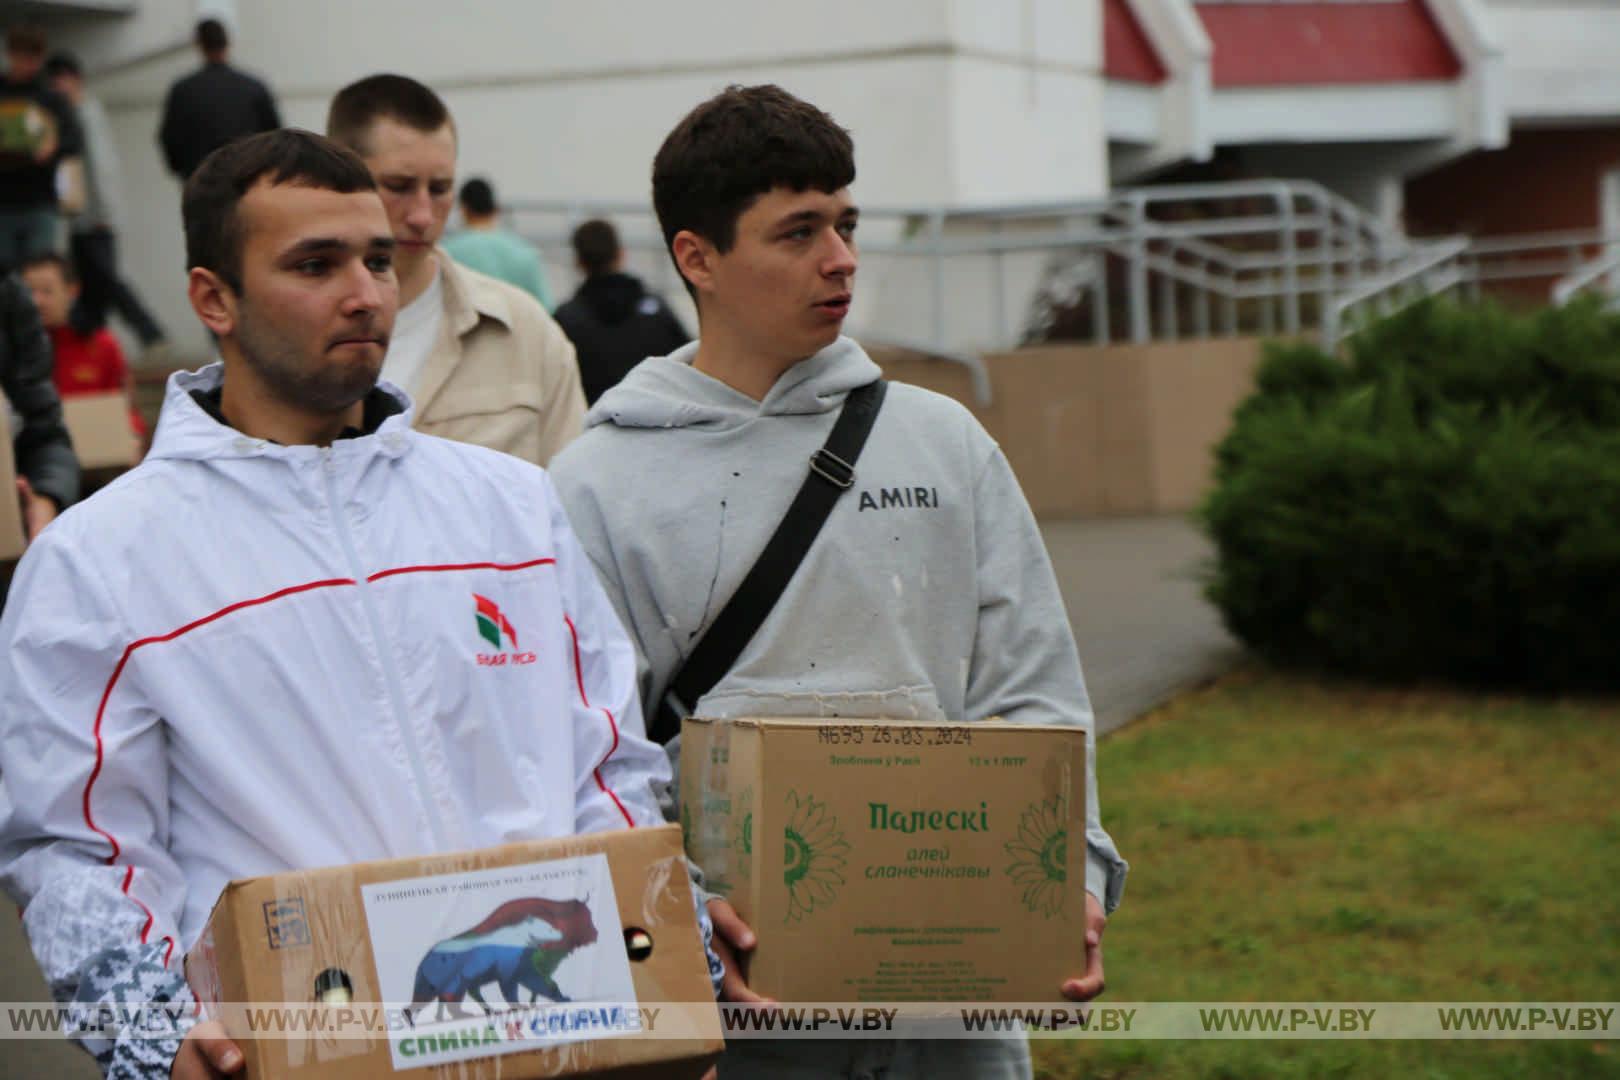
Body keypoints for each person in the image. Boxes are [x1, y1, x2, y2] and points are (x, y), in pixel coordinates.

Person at [0, 129, 696, 1079]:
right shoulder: (99, 561)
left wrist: (663, 974)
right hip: (302, 1055)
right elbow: (78, 849)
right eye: (315, 264)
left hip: (557, 1043)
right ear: (214, 299)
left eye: (376, 259)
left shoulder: (510, 505)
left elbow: (608, 768)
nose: (366, 292)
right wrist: (158, 1038)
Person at [549, 85, 1128, 1079]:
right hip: (740, 1014)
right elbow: (584, 757)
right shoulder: (593, 486)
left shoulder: (943, 440)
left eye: (848, 224)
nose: (842, 258)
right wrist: (675, 904)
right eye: (799, 231)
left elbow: (1032, 686)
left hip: (957, 1010)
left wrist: (1067, 871)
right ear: (698, 259)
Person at [327, 75, 584, 465]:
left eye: (441, 188)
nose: (422, 215)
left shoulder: (527, 332)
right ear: (338, 178)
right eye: (398, 186)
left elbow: (571, 507)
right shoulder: (290, 332)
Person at [44, 52, 169, 355]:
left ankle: (149, 333)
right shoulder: (69, 115)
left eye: (62, 81)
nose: (58, 89)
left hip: (94, 215)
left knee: (104, 278)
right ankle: (93, 343)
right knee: (90, 283)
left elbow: (101, 167)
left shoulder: (85, 113)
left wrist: (104, 212)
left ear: (75, 81)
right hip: (78, 216)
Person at [554, 218, 690, 405]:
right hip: (656, 418)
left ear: (579, 262)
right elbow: (687, 362)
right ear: (621, 254)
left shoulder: (565, 320)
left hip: (592, 424)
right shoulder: (656, 311)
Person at [19, 252, 145, 442]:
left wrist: (133, 435)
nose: (37, 301)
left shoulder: (101, 344)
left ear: (72, 290)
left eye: (46, 291)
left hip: (95, 453)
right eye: (29, 292)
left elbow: (126, 409)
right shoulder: (13, 350)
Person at [1, 269, 77, 544]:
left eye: (48, 291)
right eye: (36, 291)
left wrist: (45, 498)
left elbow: (46, 434)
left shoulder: (9, 297)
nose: (40, 301)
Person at [156, 18, 280, 182]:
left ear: (199, 44)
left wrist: (185, 172)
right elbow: (274, 136)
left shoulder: (183, 90)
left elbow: (169, 137)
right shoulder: (253, 86)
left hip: (202, 180)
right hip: (247, 179)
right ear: (227, 42)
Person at [0, 24, 81, 269]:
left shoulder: (50, 97)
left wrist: (51, 148)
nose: (28, 64)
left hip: (40, 199)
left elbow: (74, 140)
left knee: (39, 269)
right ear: (11, 54)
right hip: (3, 200)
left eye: (33, 57)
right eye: (22, 56)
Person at [441, 176, 555, 310]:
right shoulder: (524, 252)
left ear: (464, 209)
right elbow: (545, 308)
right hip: (518, 328)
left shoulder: (447, 253)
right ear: (495, 208)